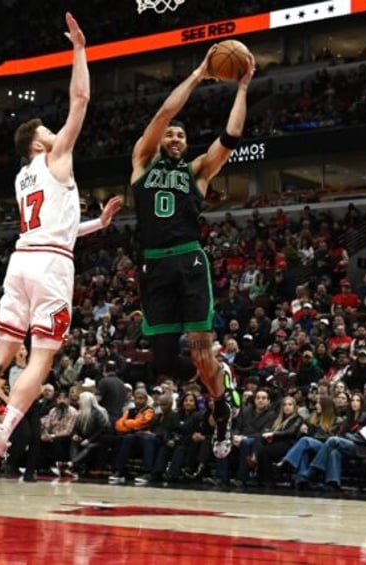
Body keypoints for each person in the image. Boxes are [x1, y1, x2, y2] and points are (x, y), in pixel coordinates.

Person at [0, 13, 123, 482]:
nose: (53, 132)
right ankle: (0, 434)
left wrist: (96, 224)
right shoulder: (54, 154)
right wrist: (80, 48)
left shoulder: (23, 177)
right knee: (42, 356)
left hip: (21, 259)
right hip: (51, 266)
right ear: (38, 141)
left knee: (2, 349)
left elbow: (55, 226)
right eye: (47, 130)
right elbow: (81, 98)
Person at [129, 43, 255, 459]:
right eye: (172, 133)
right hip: (153, 265)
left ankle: (222, 403)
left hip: (188, 259)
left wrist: (242, 88)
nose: (176, 137)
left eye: (182, 134)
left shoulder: (197, 171)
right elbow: (163, 112)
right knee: (166, 361)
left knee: (201, 351)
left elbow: (230, 137)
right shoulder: (143, 162)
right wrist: (200, 73)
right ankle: (219, 380)